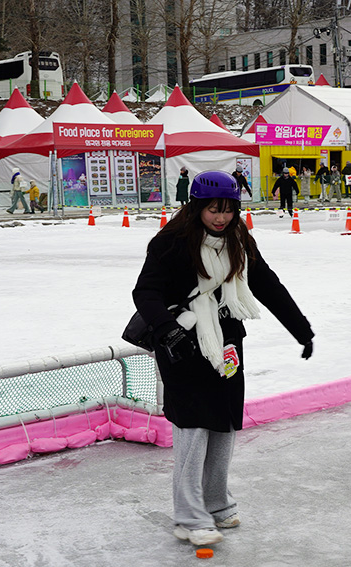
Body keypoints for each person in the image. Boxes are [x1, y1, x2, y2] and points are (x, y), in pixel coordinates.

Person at [131, 171, 314, 546]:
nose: (221, 218)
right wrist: (168, 330)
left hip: (227, 342)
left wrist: (301, 329)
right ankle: (188, 515)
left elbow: (267, 284)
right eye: (214, 210)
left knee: (223, 425)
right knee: (194, 428)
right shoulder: (170, 242)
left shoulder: (239, 240)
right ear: (197, 206)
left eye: (229, 210)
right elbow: (145, 291)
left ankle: (215, 504)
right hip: (182, 342)